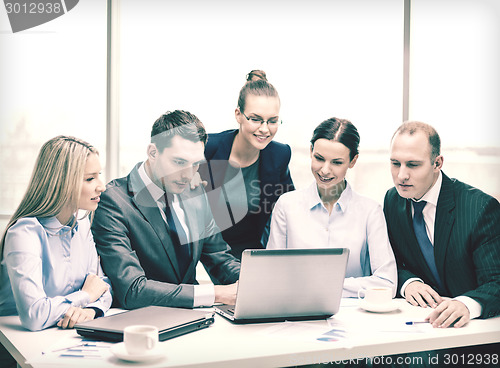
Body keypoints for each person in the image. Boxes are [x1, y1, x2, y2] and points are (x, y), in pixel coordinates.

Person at [91, 110, 240, 310]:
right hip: (141, 324)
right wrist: (215, 294)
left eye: (195, 164)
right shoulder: (114, 201)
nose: (188, 175)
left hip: (194, 322)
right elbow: (131, 290)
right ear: (153, 152)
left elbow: (219, 258)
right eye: (179, 162)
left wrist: (252, 282)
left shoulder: (195, 194)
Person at [384, 121, 500, 328]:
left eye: (413, 164)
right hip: (417, 323)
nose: (401, 175)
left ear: (437, 163)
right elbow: (391, 262)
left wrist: (466, 304)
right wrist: (408, 283)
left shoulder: (480, 208)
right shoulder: (393, 200)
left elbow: (496, 281)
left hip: (470, 331)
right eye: (395, 163)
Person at [267, 118, 397, 298]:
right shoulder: (286, 206)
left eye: (336, 162)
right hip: (297, 313)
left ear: (353, 161)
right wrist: (348, 286)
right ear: (311, 151)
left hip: (354, 316)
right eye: (319, 158)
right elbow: (271, 275)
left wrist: (319, 285)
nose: (325, 170)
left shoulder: (370, 211)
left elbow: (387, 283)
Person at [0, 136, 112, 332]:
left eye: (98, 175)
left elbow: (102, 286)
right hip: (14, 349)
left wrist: (92, 310)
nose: (101, 186)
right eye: (90, 178)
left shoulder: (83, 225)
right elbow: (34, 316)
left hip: (60, 336)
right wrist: (84, 297)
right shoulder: (24, 233)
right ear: (62, 182)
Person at [200, 70, 295, 260]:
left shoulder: (279, 155)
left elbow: (291, 207)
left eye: (273, 121)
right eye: (256, 119)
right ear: (238, 115)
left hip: (246, 249)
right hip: (202, 245)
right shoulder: (206, 147)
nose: (264, 129)